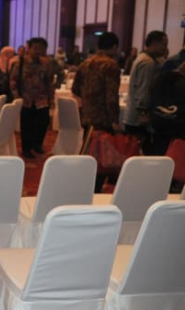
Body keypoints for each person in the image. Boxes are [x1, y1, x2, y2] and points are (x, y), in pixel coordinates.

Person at [72, 32, 121, 191]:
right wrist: (115, 121)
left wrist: (89, 99)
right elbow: (111, 97)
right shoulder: (111, 65)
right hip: (103, 119)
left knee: (89, 153)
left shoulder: (85, 63)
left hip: (88, 116)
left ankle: (85, 186)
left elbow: (75, 89)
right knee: (102, 157)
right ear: (114, 47)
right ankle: (96, 189)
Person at [123, 30, 169, 153]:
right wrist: (143, 113)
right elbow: (144, 90)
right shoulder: (147, 63)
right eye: (164, 44)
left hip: (134, 116)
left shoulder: (144, 58)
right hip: (138, 119)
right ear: (154, 43)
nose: (165, 48)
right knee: (140, 152)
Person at [10, 37, 54, 159]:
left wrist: (51, 98)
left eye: (41, 49)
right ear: (28, 48)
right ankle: (26, 148)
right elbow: (13, 81)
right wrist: (16, 97)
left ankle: (37, 144)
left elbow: (50, 82)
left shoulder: (46, 63)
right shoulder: (20, 63)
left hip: (41, 99)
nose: (38, 51)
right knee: (27, 125)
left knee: (43, 122)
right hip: (26, 99)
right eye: (35, 48)